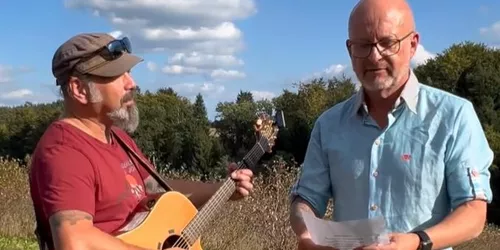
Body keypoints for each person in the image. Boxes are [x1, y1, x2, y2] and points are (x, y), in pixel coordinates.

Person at [288, 0, 493, 250]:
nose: (375, 56)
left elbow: (473, 212)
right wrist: (309, 233)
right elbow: (305, 200)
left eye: (387, 43)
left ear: (413, 44)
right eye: (363, 45)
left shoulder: (453, 116)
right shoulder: (328, 125)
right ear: (350, 49)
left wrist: (418, 242)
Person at [28, 32, 254, 250]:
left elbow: (157, 189)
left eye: (128, 72)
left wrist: (222, 190)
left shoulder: (116, 136)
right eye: (116, 75)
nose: (132, 84)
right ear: (79, 89)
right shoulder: (65, 153)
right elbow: (75, 242)